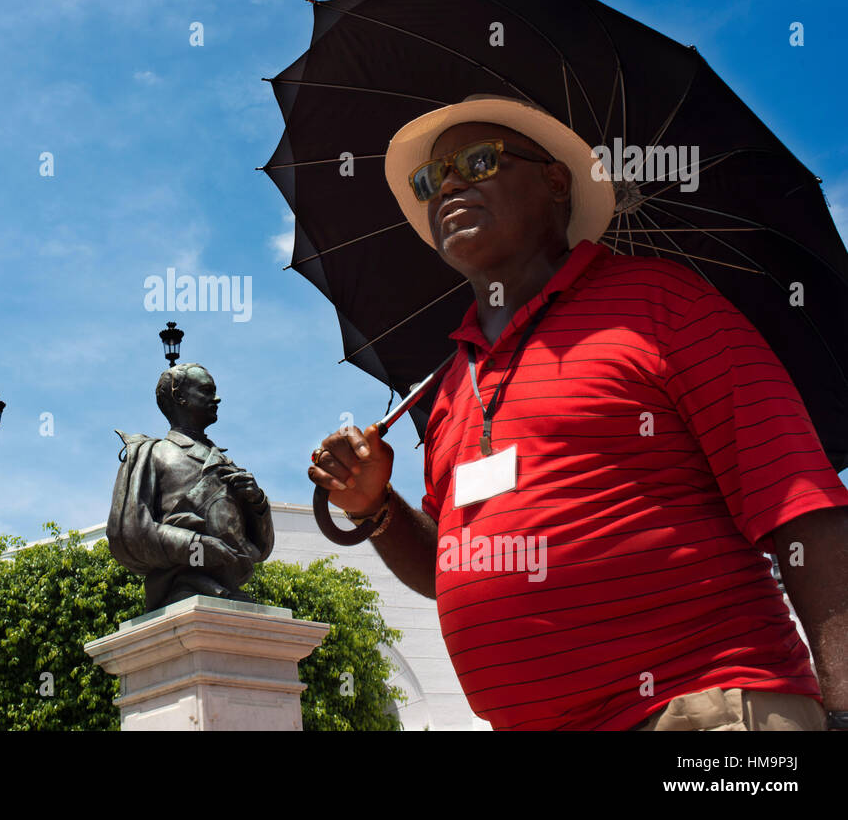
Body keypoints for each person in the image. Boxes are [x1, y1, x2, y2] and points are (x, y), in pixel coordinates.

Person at [308, 94, 848, 731]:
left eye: (478, 162)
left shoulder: (662, 305)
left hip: (703, 712)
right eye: (433, 178)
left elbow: (799, 505)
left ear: (554, 181)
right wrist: (376, 507)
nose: (448, 183)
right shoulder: (453, 383)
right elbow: (445, 568)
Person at [109, 363, 275, 611]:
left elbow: (259, 550)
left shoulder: (226, 463)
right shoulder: (151, 453)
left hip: (228, 586)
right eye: (206, 391)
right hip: (178, 589)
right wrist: (197, 545)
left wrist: (258, 503)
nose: (216, 398)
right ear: (179, 397)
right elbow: (130, 531)